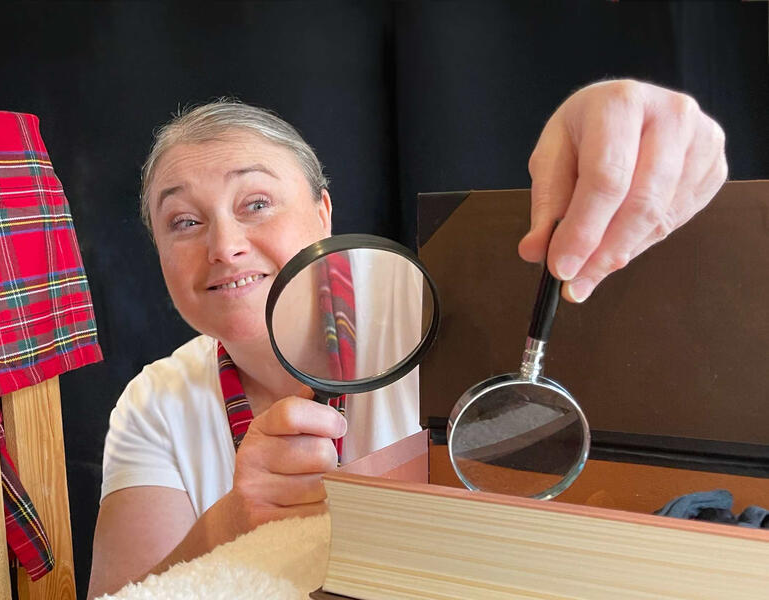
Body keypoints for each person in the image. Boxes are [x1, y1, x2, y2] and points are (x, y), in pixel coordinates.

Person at [87, 79, 727, 598]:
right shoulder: (154, 403)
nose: (223, 246)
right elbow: (124, 594)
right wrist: (233, 518)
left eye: (255, 202)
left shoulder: (437, 311)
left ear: (323, 214)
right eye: (185, 221)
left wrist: (628, 128)